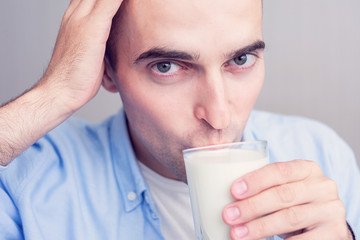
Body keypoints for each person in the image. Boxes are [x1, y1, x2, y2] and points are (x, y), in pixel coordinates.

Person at [0, 0, 359, 239]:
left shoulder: (321, 154)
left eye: (241, 60)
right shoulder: (29, 179)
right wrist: (54, 94)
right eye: (167, 67)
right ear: (106, 69)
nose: (218, 116)